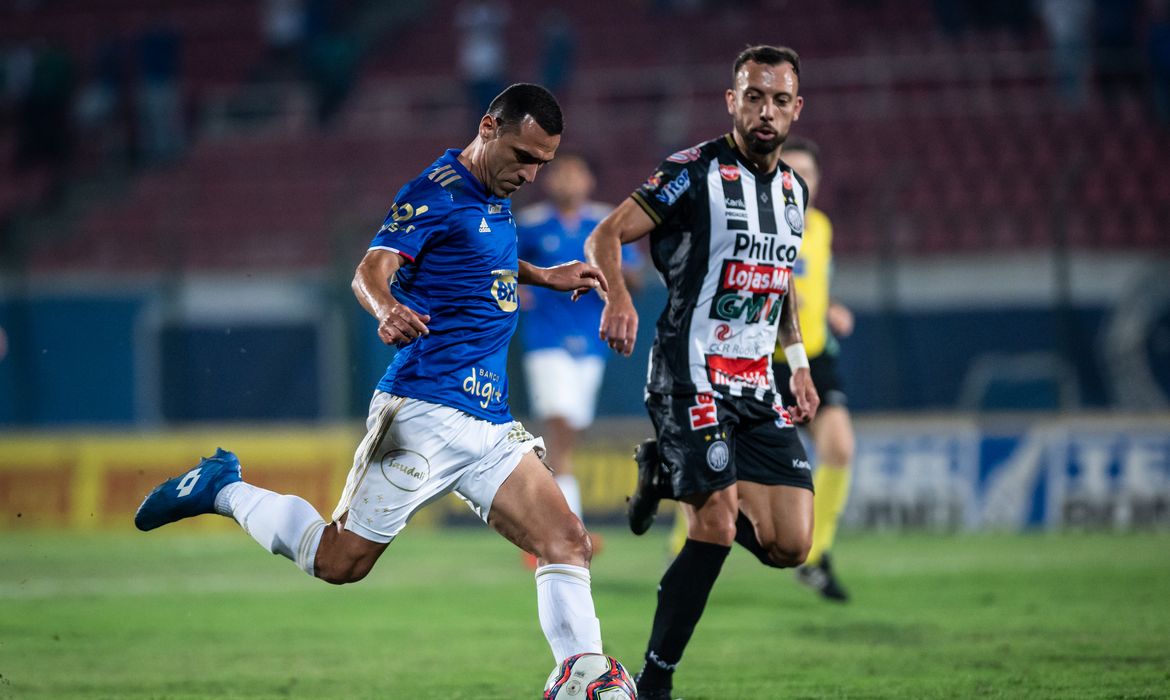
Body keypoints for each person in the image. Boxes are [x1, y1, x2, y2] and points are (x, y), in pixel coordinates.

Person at [135, 83, 612, 668]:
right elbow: (371, 268)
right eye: (524, 156)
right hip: (424, 409)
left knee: (567, 541)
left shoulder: (493, 189)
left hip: (489, 421)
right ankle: (222, 488)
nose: (533, 174)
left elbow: (477, 256)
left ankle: (585, 680)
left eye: (544, 162)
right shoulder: (433, 192)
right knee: (339, 562)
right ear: (488, 128)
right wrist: (386, 307)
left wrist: (542, 274)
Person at [585, 45, 818, 700]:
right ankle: (655, 681)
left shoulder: (795, 193)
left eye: (778, 100)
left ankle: (668, 472)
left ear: (796, 109)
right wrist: (620, 296)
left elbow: (780, 287)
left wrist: (795, 363)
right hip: (691, 374)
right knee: (713, 525)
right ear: (731, 101)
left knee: (790, 545)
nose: (765, 111)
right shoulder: (692, 173)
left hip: (759, 386)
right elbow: (604, 234)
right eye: (753, 96)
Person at [516, 154, 642, 561]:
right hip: (546, 340)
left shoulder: (604, 225)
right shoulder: (533, 222)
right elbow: (497, 264)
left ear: (589, 180)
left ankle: (546, 529)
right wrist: (518, 290)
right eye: (560, 172)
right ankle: (568, 530)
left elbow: (636, 277)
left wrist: (610, 276)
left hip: (591, 344)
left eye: (576, 171)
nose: (568, 179)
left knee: (568, 436)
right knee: (561, 431)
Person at [770, 136, 856, 602]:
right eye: (791, 170)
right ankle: (683, 545)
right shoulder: (757, 223)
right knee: (722, 465)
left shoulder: (820, 227)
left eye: (809, 172)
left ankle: (814, 555)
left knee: (839, 448)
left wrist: (829, 309)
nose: (800, 180)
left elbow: (812, 285)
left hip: (815, 356)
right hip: (762, 360)